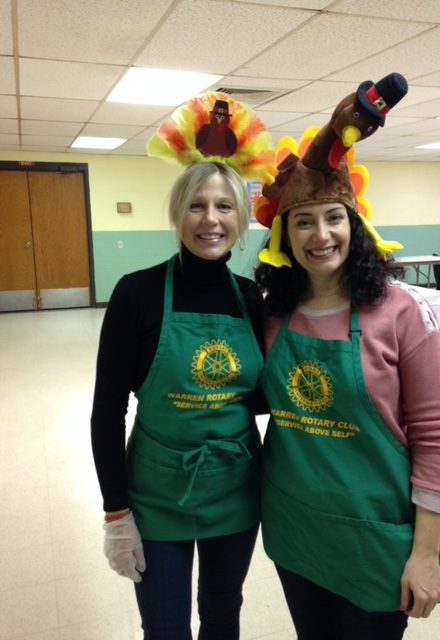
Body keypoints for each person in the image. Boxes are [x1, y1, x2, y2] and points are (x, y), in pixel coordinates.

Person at [253, 74, 440, 639]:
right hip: (296, 529)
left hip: (376, 538)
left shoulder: (402, 312)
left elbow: (434, 436)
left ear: (355, 223)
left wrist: (424, 553)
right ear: (284, 234)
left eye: (333, 217)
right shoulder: (273, 314)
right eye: (303, 221)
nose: (320, 234)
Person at [91, 92, 275, 640]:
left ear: (240, 218)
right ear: (178, 214)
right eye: (197, 205)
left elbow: (263, 397)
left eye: (224, 207)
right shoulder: (137, 294)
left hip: (236, 491)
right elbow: (106, 412)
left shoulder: (253, 298)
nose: (210, 220)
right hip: (157, 494)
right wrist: (116, 513)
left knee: (222, 613)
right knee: (165, 625)